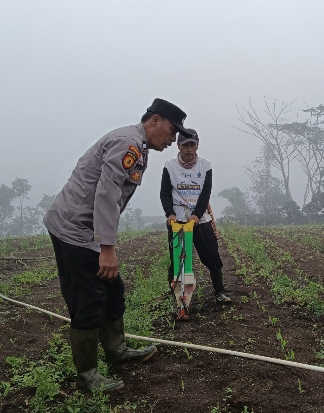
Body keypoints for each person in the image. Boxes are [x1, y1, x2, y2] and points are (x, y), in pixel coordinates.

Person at [44, 98, 193, 391]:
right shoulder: (129, 143)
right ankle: (87, 375)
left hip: (87, 230)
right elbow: (107, 195)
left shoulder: (138, 146)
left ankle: (116, 350)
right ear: (155, 121)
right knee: (88, 299)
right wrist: (107, 248)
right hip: (74, 229)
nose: (173, 139)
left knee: (112, 289)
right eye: (172, 131)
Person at [160, 129, 231, 305]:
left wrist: (196, 215)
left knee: (211, 256)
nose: (189, 149)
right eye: (185, 145)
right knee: (178, 259)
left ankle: (219, 292)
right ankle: (177, 297)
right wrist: (170, 214)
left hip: (200, 218)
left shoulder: (205, 166)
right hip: (177, 219)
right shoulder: (169, 166)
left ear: (197, 146)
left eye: (192, 145)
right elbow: (165, 193)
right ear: (179, 146)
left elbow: (205, 194)